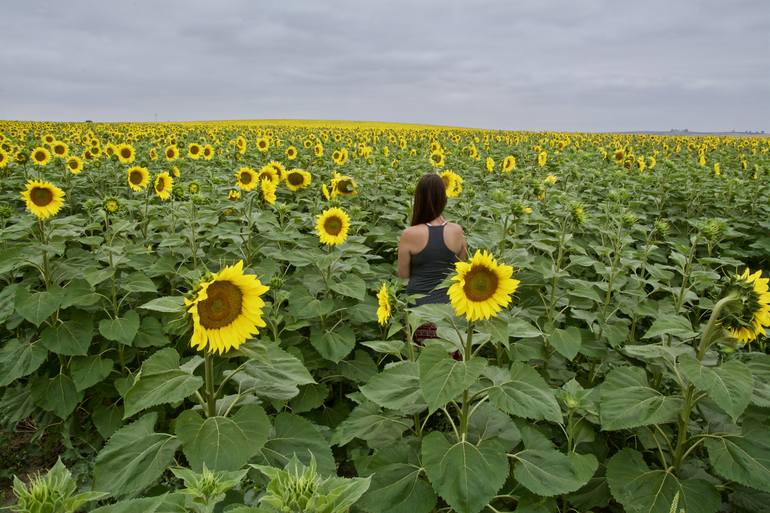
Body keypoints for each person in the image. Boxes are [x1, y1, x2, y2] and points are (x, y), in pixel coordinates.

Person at [397, 173, 468, 343]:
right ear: (444, 198)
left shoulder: (409, 234)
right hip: (449, 313)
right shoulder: (457, 231)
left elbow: (403, 275)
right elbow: (462, 269)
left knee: (421, 364)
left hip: (419, 314)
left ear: (418, 199)